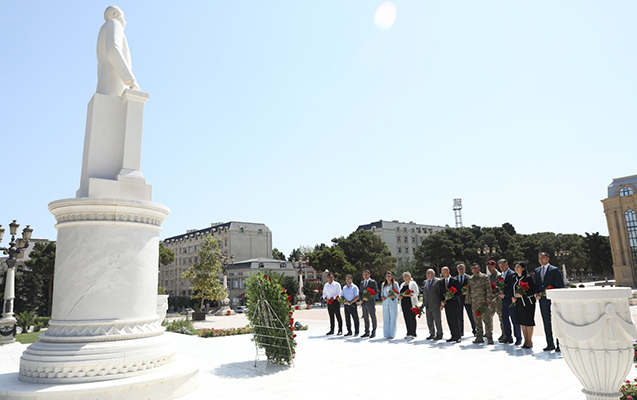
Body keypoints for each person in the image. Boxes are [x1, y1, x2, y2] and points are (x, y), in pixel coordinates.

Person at [96, 6, 140, 97]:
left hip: (103, 86)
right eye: (123, 17)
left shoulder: (103, 30)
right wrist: (131, 80)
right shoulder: (114, 23)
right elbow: (113, 50)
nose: (125, 22)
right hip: (114, 88)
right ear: (115, 15)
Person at [534, 252, 565, 351]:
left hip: (553, 300)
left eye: (542, 257)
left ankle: (559, 344)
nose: (540, 260)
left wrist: (550, 291)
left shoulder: (554, 270)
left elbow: (561, 285)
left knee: (556, 321)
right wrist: (537, 293)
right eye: (539, 258)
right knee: (546, 321)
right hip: (542, 301)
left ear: (548, 259)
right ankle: (550, 344)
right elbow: (537, 284)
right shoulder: (537, 271)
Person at [466, 263, 493, 344]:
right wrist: (467, 300)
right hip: (475, 303)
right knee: (477, 321)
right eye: (473, 268)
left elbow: (488, 289)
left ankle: (489, 338)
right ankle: (479, 337)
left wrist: (489, 300)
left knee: (487, 321)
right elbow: (468, 290)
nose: (474, 269)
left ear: (479, 268)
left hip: (483, 302)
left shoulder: (484, 277)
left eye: (476, 268)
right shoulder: (470, 278)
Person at [511, 262, 536, 349]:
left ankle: (529, 341)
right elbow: (512, 289)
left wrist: (523, 295)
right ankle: (525, 341)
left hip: (528, 303)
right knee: (522, 322)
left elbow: (533, 290)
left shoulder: (528, 278)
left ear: (523, 268)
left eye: (518, 267)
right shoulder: (514, 278)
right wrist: (512, 297)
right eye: (515, 267)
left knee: (528, 321)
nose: (516, 268)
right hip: (518, 303)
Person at [498, 259, 522, 345]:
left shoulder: (512, 274)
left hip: (511, 299)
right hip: (504, 301)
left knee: (514, 319)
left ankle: (518, 337)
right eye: (500, 267)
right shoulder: (501, 275)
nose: (502, 268)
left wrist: (506, 294)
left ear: (507, 264)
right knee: (505, 319)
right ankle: (508, 336)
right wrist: (500, 294)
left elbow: (512, 287)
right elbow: (500, 287)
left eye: (503, 266)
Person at [441, 266, 462, 343]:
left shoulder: (455, 280)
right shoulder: (442, 282)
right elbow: (441, 293)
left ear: (448, 272)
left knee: (455, 320)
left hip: (454, 304)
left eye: (445, 272)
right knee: (449, 320)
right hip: (447, 305)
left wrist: (451, 297)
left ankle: (458, 336)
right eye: (442, 273)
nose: (444, 274)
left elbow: (459, 293)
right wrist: (442, 301)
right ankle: (453, 336)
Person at [422, 268, 445, 340]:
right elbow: (424, 293)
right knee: (429, 321)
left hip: (436, 305)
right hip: (428, 305)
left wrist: (442, 303)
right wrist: (423, 302)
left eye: (429, 273)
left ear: (433, 274)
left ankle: (439, 334)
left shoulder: (438, 281)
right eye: (427, 273)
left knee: (437, 320)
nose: (427, 275)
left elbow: (441, 293)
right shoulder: (425, 282)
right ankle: (432, 333)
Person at [399, 271, 420, 340]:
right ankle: (408, 333)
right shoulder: (402, 284)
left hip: (411, 303)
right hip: (404, 304)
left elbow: (416, 293)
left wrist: (407, 295)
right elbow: (400, 293)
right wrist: (400, 296)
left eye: (406, 276)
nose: (405, 278)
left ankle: (413, 333)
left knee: (412, 318)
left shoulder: (413, 284)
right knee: (406, 318)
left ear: (409, 277)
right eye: (404, 277)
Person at [456, 264, 476, 336]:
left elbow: (473, 288)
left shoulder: (469, 278)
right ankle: (460, 332)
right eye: (459, 269)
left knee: (471, 316)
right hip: (458, 300)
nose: (461, 270)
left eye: (462, 269)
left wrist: (467, 292)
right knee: (459, 317)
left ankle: (475, 330)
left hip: (468, 299)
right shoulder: (455, 279)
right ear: (457, 270)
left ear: (465, 269)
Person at [486, 260, 504, 341]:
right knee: (489, 316)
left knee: (501, 317)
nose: (489, 268)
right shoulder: (489, 276)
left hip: (498, 300)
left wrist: (496, 293)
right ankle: (488, 332)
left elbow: (501, 287)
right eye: (488, 267)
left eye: (490, 266)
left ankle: (504, 333)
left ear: (494, 266)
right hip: (491, 300)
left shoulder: (499, 275)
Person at [381, 271, 400, 339]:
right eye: (387, 276)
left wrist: (393, 295)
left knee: (393, 318)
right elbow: (382, 293)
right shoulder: (383, 284)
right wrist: (382, 297)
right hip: (385, 303)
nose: (388, 277)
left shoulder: (395, 284)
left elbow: (398, 293)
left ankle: (392, 334)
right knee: (386, 318)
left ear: (392, 277)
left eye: (389, 276)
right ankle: (386, 334)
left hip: (392, 302)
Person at [360, 270, 379, 338]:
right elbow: (360, 292)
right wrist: (360, 299)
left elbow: (376, 292)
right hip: (364, 303)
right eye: (364, 274)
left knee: (373, 317)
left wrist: (369, 297)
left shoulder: (373, 282)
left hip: (370, 302)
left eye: (366, 274)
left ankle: (373, 332)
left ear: (369, 275)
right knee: (365, 317)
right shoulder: (362, 283)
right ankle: (367, 332)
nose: (365, 276)